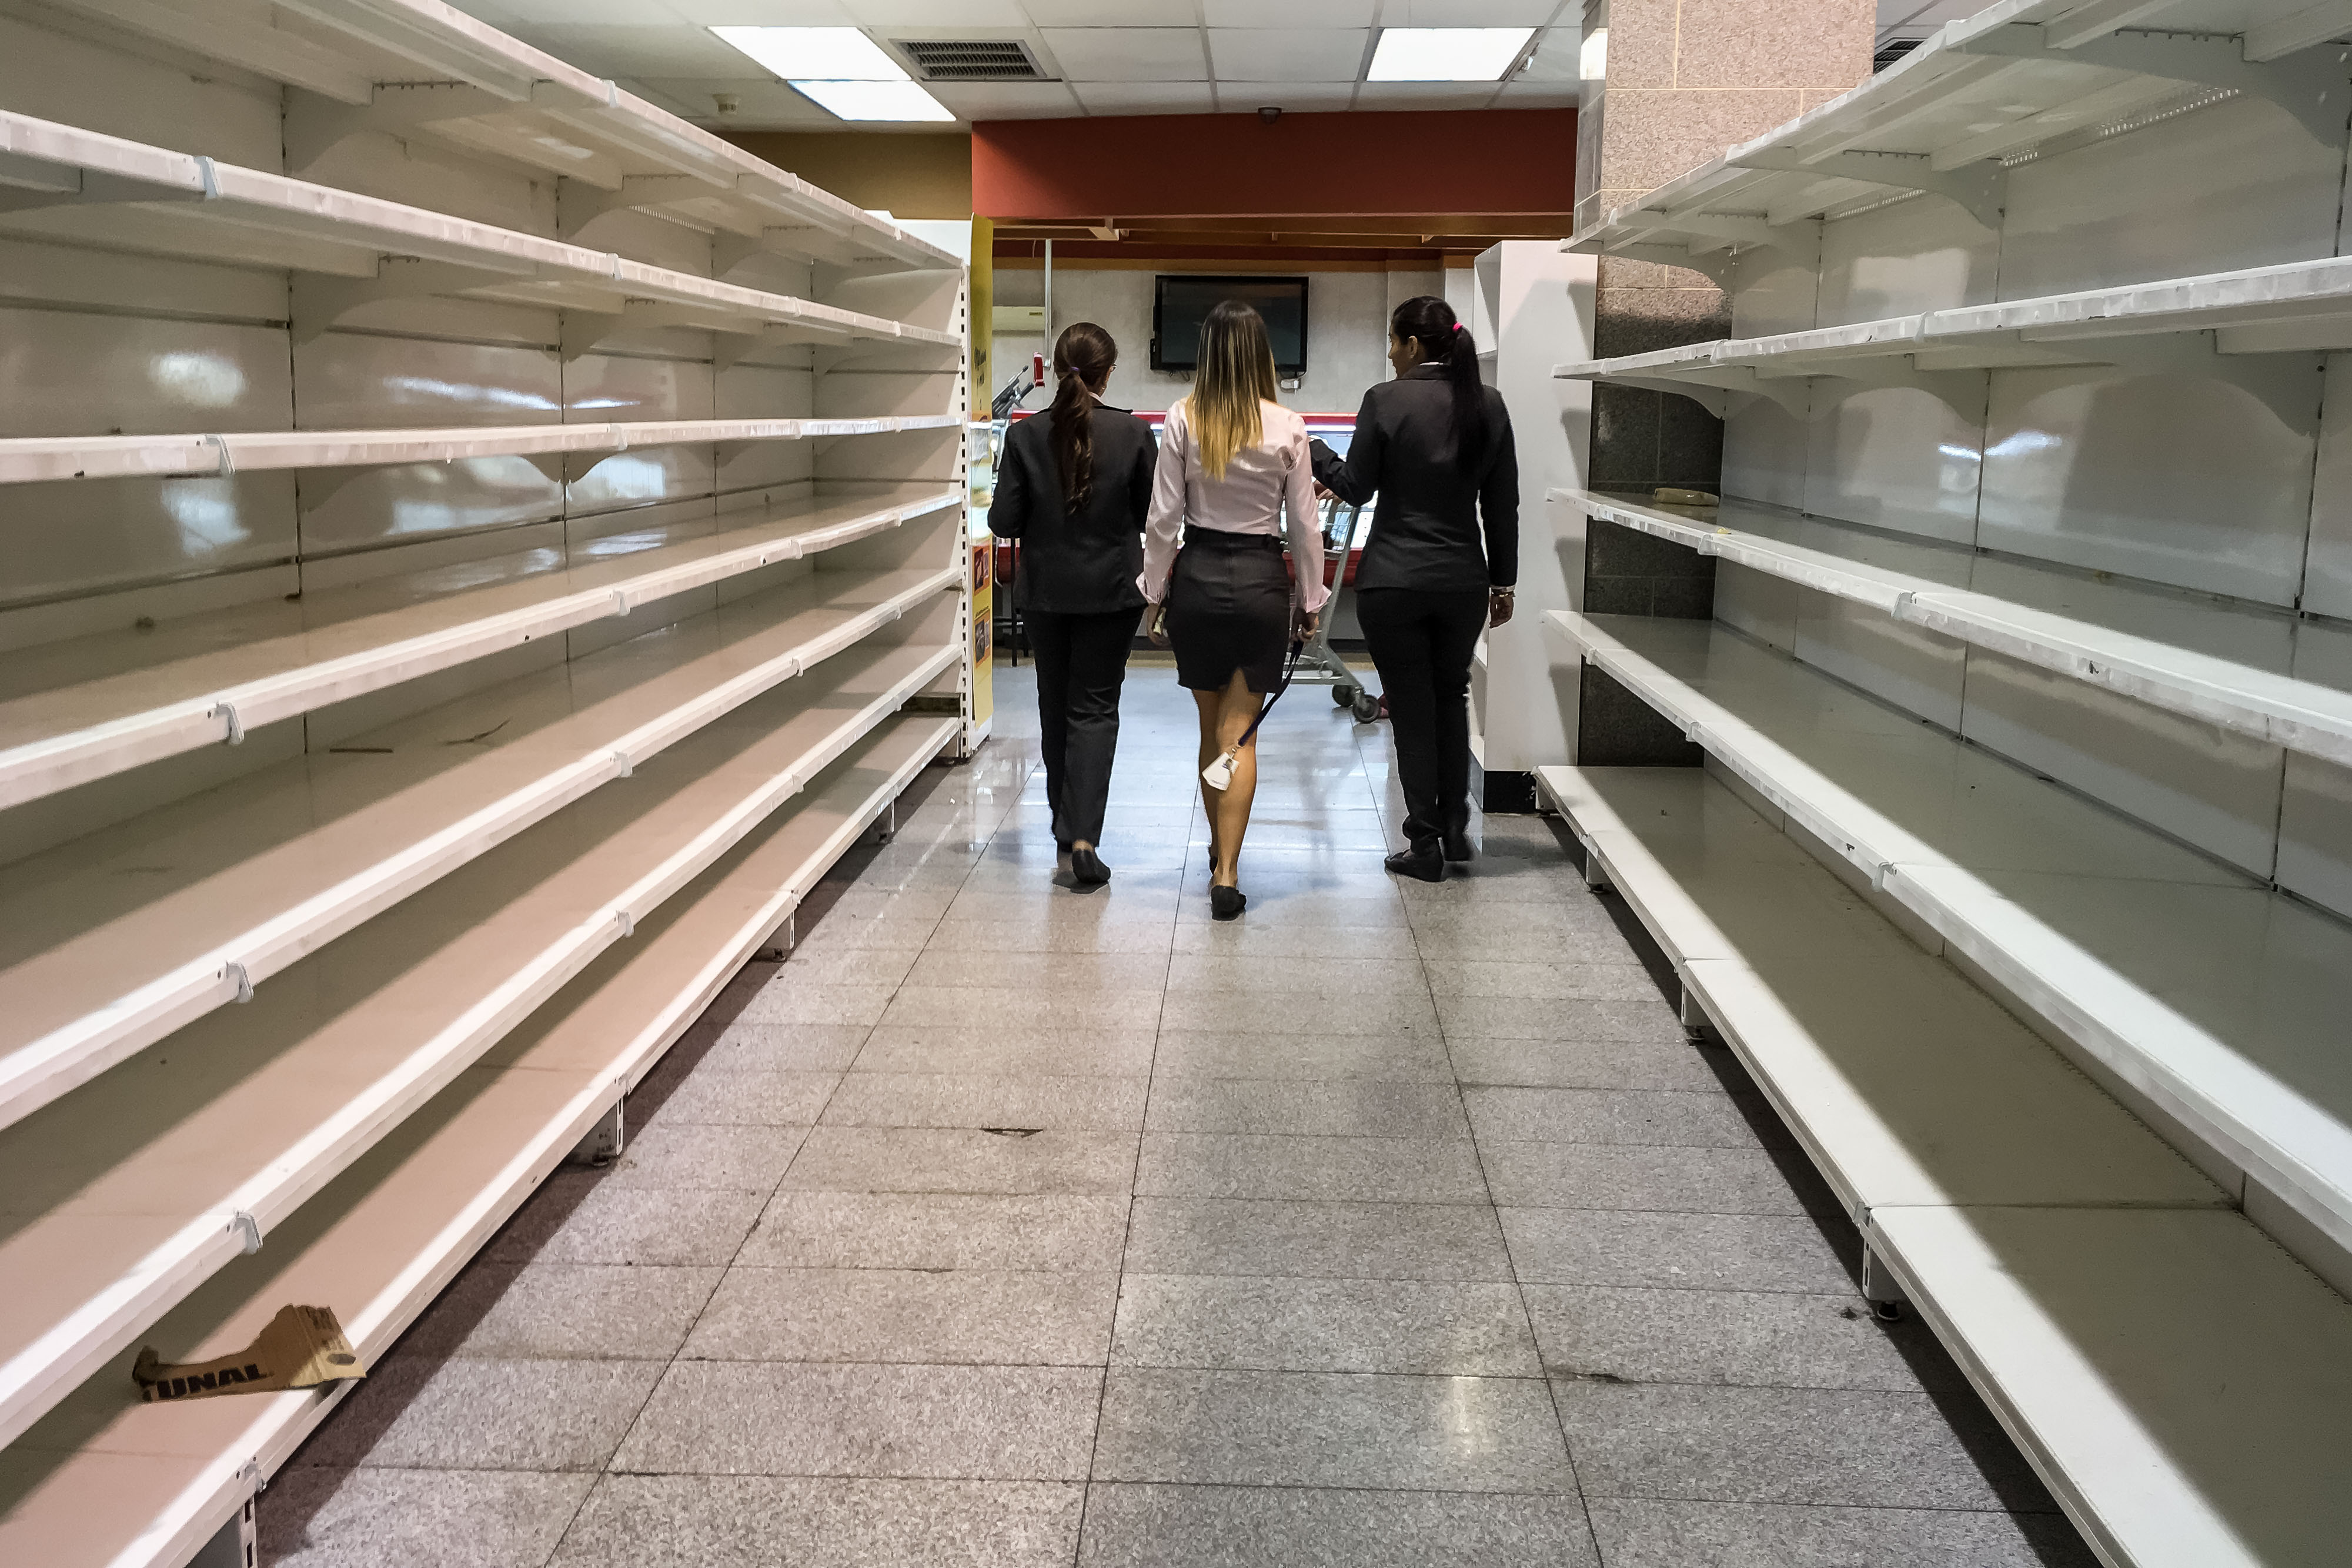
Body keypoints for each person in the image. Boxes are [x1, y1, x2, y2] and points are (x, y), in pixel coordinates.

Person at [1311, 295, 1518, 883]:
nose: (1389, 352)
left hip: (1393, 581)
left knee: (1411, 709)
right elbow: (1502, 506)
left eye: (1393, 341)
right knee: (1451, 698)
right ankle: (1455, 829)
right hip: (1462, 581)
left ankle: (1422, 842)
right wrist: (1503, 582)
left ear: (1411, 343)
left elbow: (1354, 487)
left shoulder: (1385, 400)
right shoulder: (1488, 404)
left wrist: (1313, 451)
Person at [1139, 299, 1326, 921]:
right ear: (1262, 356)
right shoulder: (1287, 425)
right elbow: (1304, 526)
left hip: (1197, 578)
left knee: (1208, 730)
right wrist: (1311, 600)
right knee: (1239, 735)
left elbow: (1163, 519)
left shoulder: (1183, 418)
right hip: (1259, 583)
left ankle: (1218, 848)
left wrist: (1153, 591)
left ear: (1208, 355)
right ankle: (1228, 871)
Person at [988, 322, 1157, 887]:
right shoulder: (1133, 435)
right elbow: (1148, 517)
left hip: (1044, 593)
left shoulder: (1025, 435)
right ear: (1110, 372)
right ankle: (1084, 836)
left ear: (1058, 369)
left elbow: (1003, 520)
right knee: (1095, 708)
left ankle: (1064, 824)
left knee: (1053, 703)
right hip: (1111, 592)